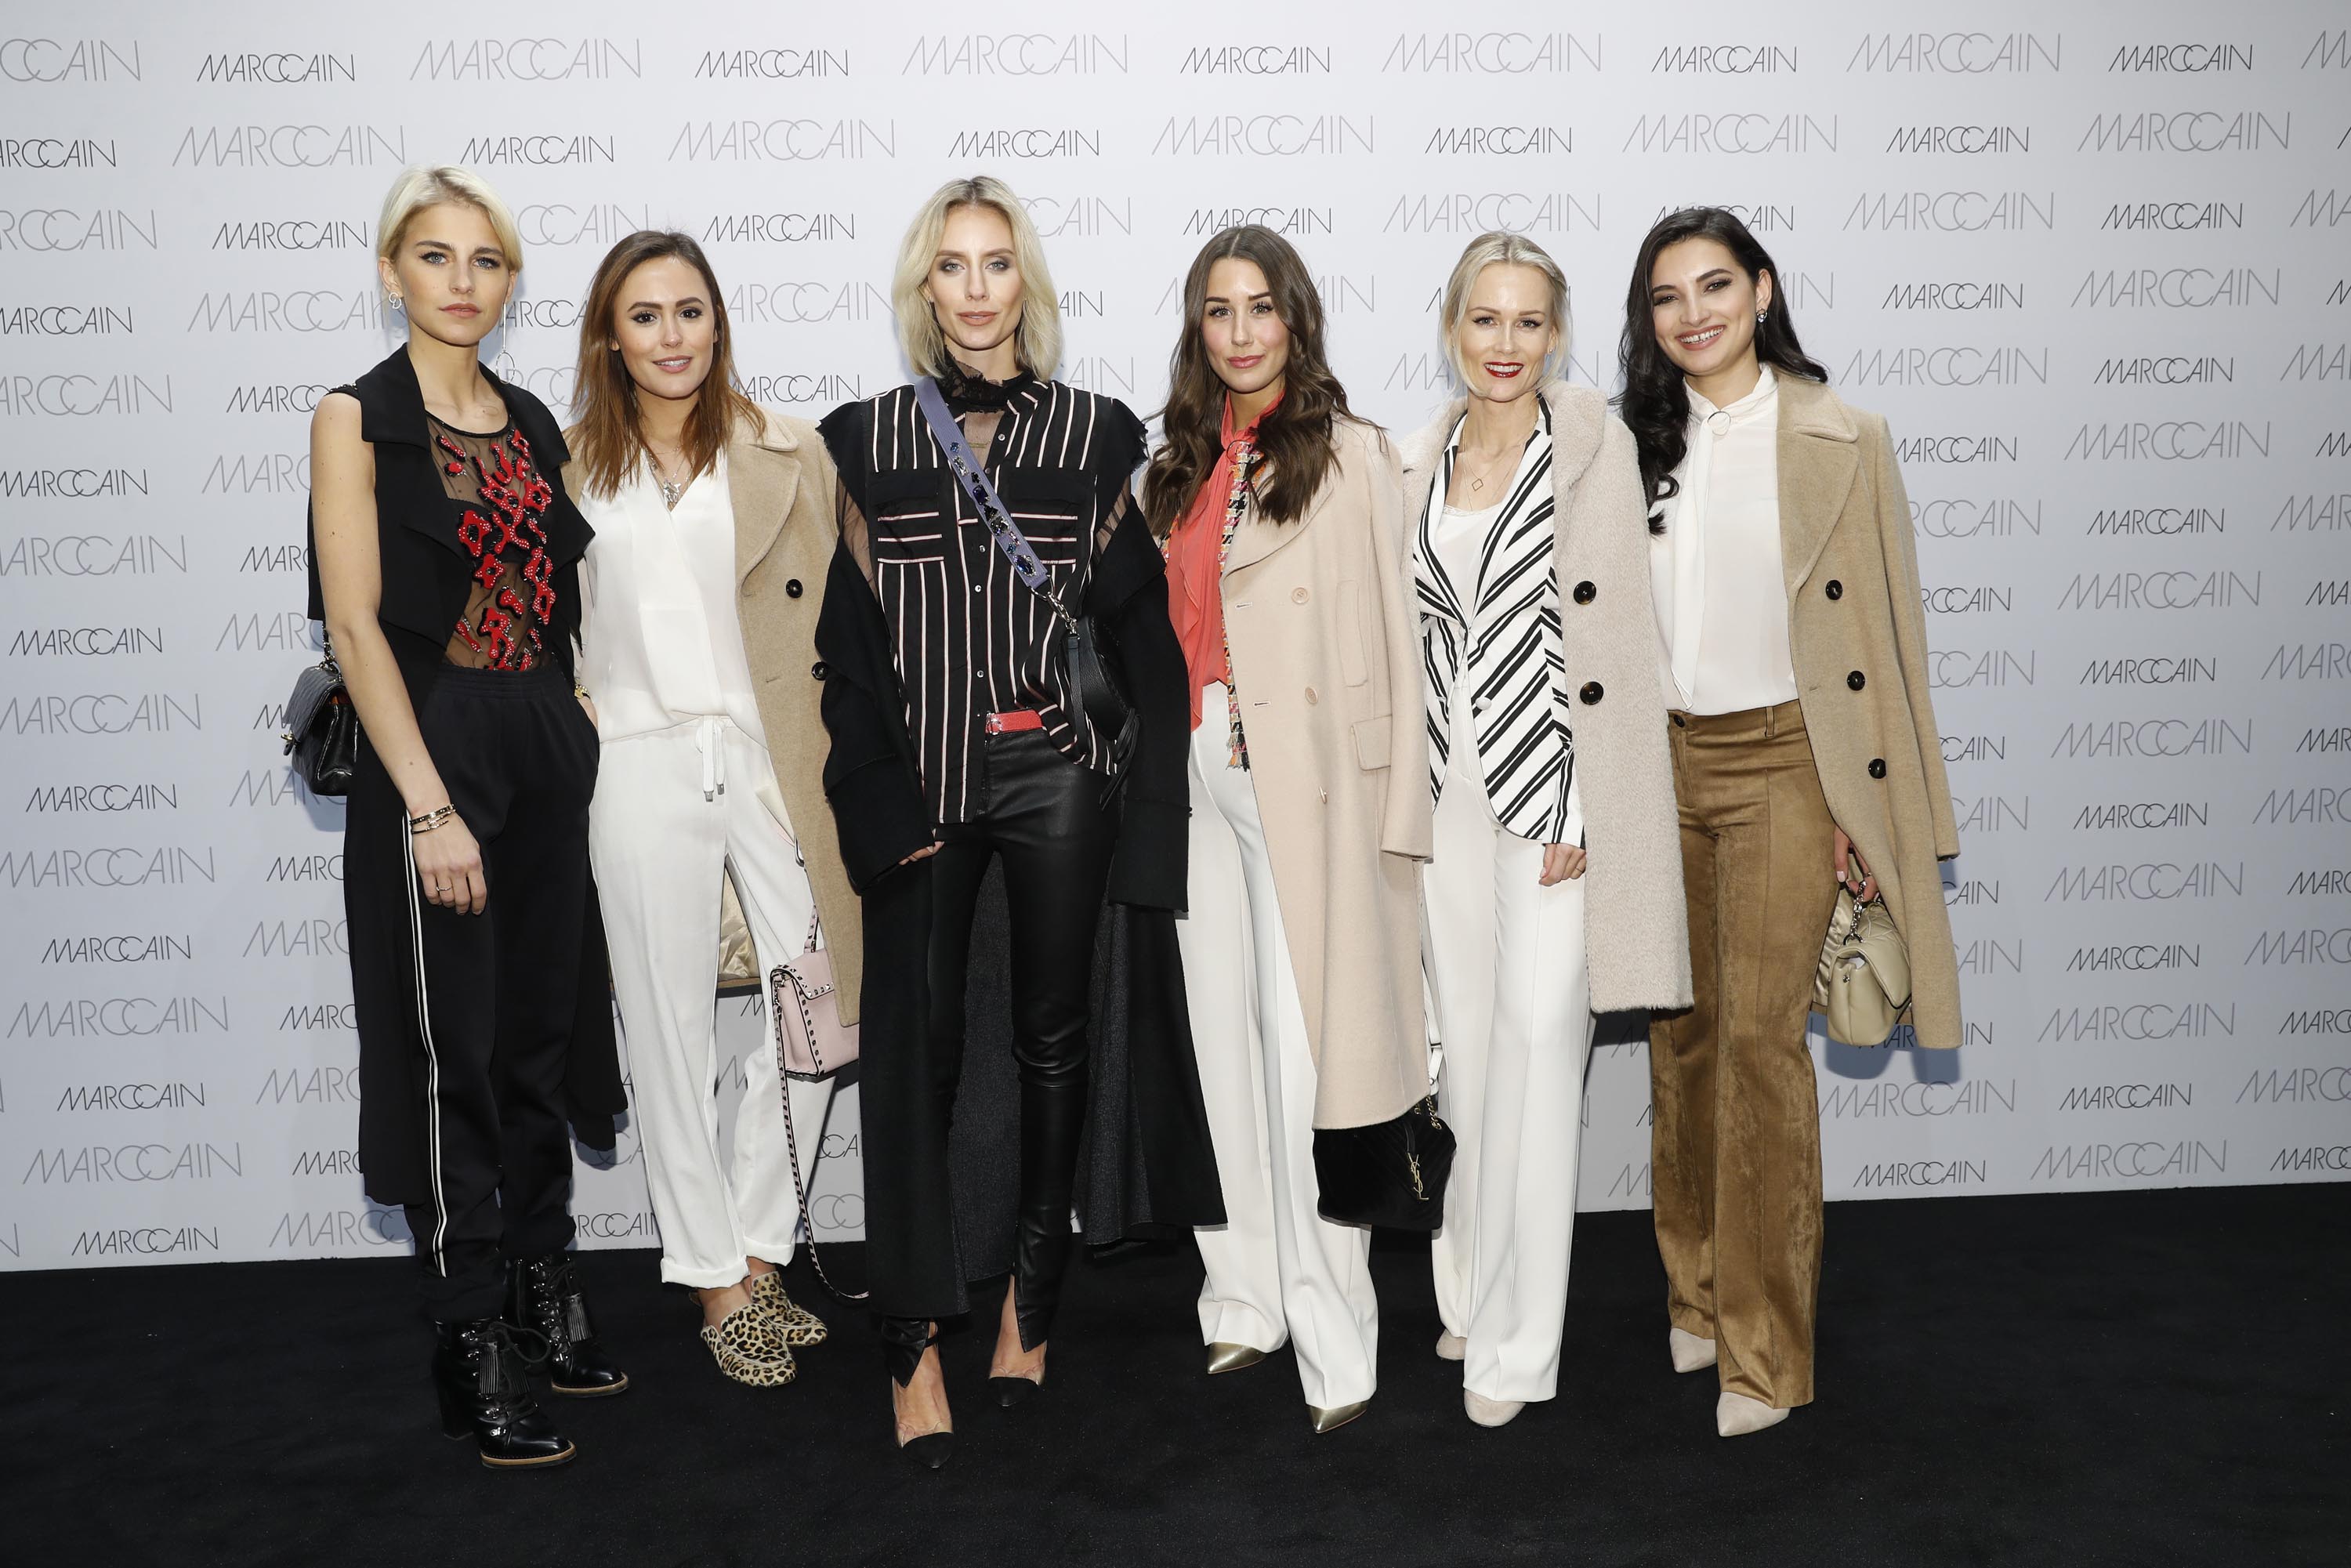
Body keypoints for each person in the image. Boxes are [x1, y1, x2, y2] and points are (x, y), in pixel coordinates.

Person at [813, 176, 1205, 1468]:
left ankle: (1034, 1301)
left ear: (1023, 285)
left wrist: (1143, 807)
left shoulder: (1098, 431)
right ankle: (913, 1329)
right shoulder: (862, 435)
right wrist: (871, 801)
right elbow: (849, 650)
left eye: (997, 265)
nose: (976, 289)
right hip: (922, 782)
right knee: (915, 1056)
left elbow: (1139, 631)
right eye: (952, 266)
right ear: (924, 288)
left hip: (1058, 776)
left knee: (1053, 1038)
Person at [1621, 207, 1964, 1437]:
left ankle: (1766, 1352)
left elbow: (1891, 640)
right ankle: (1698, 1292)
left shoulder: (1844, 435)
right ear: (1648, 320)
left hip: (1786, 765)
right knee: (1684, 1040)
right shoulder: (1629, 445)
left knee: (1763, 1049)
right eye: (1668, 296)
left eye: (1716, 285)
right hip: (1656, 770)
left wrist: (1870, 810)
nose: (1694, 313)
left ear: (1763, 292)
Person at [306, 165, 625, 1470]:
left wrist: (582, 721)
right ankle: (468, 1330)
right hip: (433, 747)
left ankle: (543, 1283)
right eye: (435, 257)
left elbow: (565, 595)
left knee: (541, 1032)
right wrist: (429, 805)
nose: (461, 282)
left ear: (509, 282)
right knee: (458, 1050)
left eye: (486, 261)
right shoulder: (355, 417)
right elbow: (355, 623)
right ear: (393, 271)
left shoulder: (535, 417)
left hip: (542, 737)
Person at [1396, 233, 1690, 1429]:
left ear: (1556, 332)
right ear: (1454, 328)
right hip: (1442, 797)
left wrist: (1587, 805)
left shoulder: (1593, 443)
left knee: (1533, 1046)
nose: (1505, 343)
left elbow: (1620, 637)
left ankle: (1519, 1347)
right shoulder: (1421, 454)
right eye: (1485, 319)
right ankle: (1467, 1287)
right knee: (1463, 1052)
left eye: (1528, 321)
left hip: (1554, 796)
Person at [1142, 224, 1430, 1434]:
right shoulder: (1174, 464)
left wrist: (1400, 817)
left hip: (1304, 779)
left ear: (1298, 319)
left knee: (1310, 1058)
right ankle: (1243, 1298)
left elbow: (1407, 656)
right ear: (1198, 329)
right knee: (1217, 1052)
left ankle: (1336, 1339)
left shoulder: (1355, 454)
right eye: (1220, 308)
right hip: (1192, 775)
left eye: (1264, 306)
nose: (1243, 329)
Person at [564, 230, 854, 1387]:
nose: (673, 335)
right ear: (612, 334)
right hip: (634, 753)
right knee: (669, 1024)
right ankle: (714, 1276)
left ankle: (754, 1237)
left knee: (816, 1007)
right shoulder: (569, 463)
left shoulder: (785, 449)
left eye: (691, 310)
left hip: (769, 752)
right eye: (647, 315)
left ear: (719, 321)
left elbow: (836, 612)